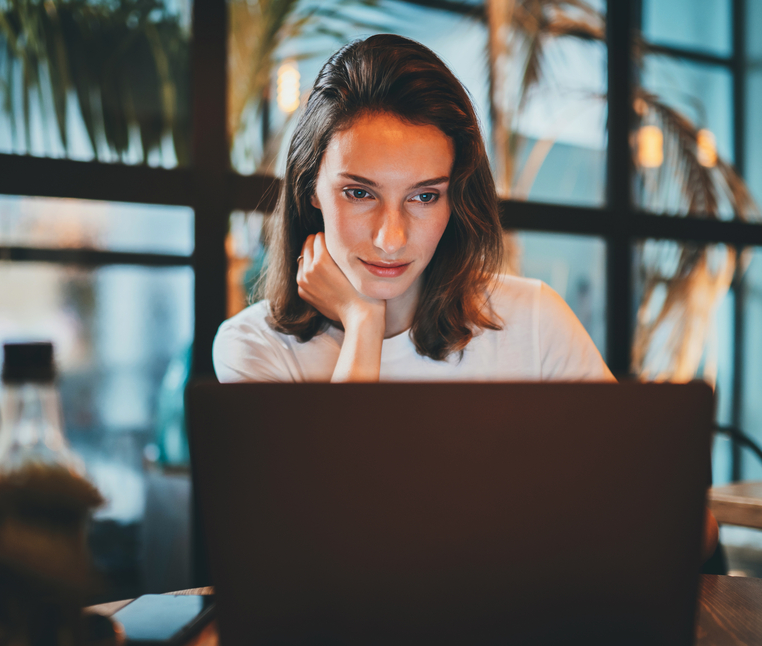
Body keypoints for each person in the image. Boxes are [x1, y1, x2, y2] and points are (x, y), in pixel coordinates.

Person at [213, 34, 721, 564]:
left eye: (425, 196)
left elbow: (688, 531)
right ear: (311, 189)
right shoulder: (253, 348)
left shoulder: (532, 320)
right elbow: (320, 546)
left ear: (455, 199)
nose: (392, 236)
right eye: (359, 192)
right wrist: (363, 324)